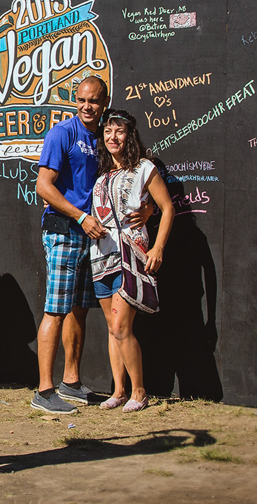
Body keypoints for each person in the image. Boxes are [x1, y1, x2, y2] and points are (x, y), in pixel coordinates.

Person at [32, 77, 152, 415]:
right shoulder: (62, 133)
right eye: (82, 100)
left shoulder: (103, 136)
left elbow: (138, 174)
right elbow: (44, 186)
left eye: (95, 101)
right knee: (56, 308)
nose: (88, 106)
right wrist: (80, 217)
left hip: (93, 237)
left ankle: (71, 381)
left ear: (105, 102)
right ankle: (44, 389)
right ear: (75, 100)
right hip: (64, 230)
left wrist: (149, 207)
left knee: (78, 309)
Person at [91, 109, 174, 412]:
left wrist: (159, 247)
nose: (113, 137)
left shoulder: (144, 168)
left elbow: (167, 208)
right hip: (100, 255)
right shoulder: (101, 175)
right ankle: (118, 390)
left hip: (131, 255)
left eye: (120, 131)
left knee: (123, 326)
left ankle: (139, 392)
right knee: (112, 327)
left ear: (130, 135)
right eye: (108, 131)